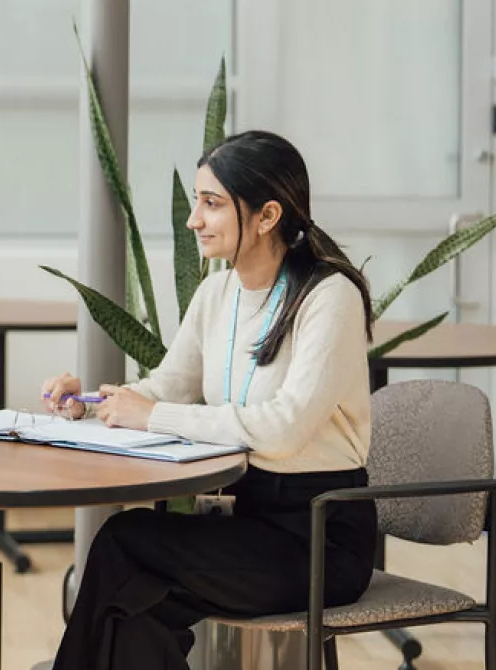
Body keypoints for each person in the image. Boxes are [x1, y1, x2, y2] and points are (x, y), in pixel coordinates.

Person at [44, 130, 379, 669]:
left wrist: (152, 414)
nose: (193, 219)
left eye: (212, 203)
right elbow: (166, 388)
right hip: (250, 522)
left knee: (125, 544)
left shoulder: (328, 296)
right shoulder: (217, 292)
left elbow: (285, 429)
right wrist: (89, 404)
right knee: (136, 605)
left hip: (318, 540)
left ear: (267, 215)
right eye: (197, 201)